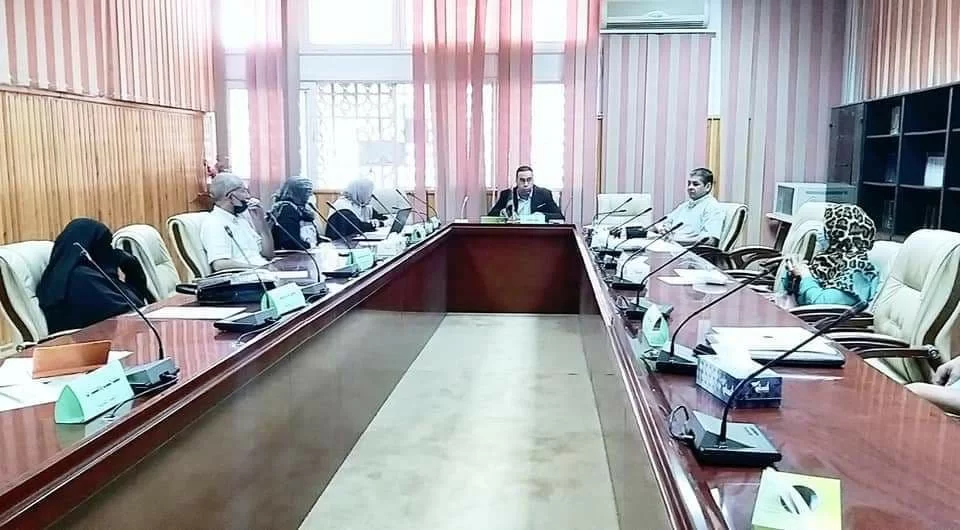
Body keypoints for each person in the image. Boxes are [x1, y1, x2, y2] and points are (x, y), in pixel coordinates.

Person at [37, 218, 155, 334]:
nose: (110, 251)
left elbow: (136, 308)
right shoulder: (81, 279)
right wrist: (133, 269)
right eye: (106, 244)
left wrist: (130, 266)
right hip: (93, 342)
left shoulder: (68, 276)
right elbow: (133, 310)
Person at [781, 203, 879, 306]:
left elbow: (819, 302)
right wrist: (793, 273)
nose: (821, 232)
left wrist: (806, 275)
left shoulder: (857, 271)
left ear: (840, 234)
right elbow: (793, 292)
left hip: (816, 316)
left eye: (826, 227)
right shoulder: (828, 260)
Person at [200, 172, 275, 271]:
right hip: (248, 276)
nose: (248, 196)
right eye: (243, 191)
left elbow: (268, 254)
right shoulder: (214, 223)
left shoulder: (241, 219)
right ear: (230, 196)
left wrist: (262, 223)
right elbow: (219, 264)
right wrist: (260, 268)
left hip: (264, 271)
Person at [650, 168, 724, 246]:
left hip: (687, 250)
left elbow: (710, 241)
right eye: (689, 184)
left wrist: (674, 240)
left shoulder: (712, 207)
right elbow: (663, 223)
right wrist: (663, 229)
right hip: (669, 246)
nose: (690, 187)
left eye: (695, 184)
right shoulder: (685, 205)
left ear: (707, 187)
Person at [488, 165, 563, 221]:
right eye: (522, 180)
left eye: (529, 180)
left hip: (536, 232)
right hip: (514, 232)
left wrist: (541, 215)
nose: (526, 184)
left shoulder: (544, 194)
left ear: (533, 180)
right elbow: (490, 216)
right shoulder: (507, 194)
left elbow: (559, 216)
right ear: (516, 181)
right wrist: (501, 213)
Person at [271, 176, 321, 250]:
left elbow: (314, 236)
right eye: (306, 191)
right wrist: (311, 246)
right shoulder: (286, 209)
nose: (310, 195)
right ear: (294, 192)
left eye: (310, 191)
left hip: (308, 252)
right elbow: (289, 241)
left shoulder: (304, 209)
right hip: (291, 254)